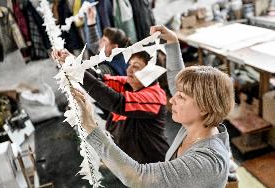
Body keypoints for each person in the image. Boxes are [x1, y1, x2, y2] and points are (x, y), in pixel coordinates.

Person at [72, 25, 235, 188]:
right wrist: (172, 43)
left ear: (205, 106)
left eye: (182, 97)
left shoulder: (206, 162)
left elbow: (139, 178)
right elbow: (175, 81)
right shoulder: (198, 126)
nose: (171, 100)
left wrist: (90, 127)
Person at [86, 6, 131, 76]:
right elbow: (94, 44)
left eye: (104, 40)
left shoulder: (110, 68)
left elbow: (95, 75)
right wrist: (91, 21)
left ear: (115, 47)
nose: (100, 42)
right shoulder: (118, 54)